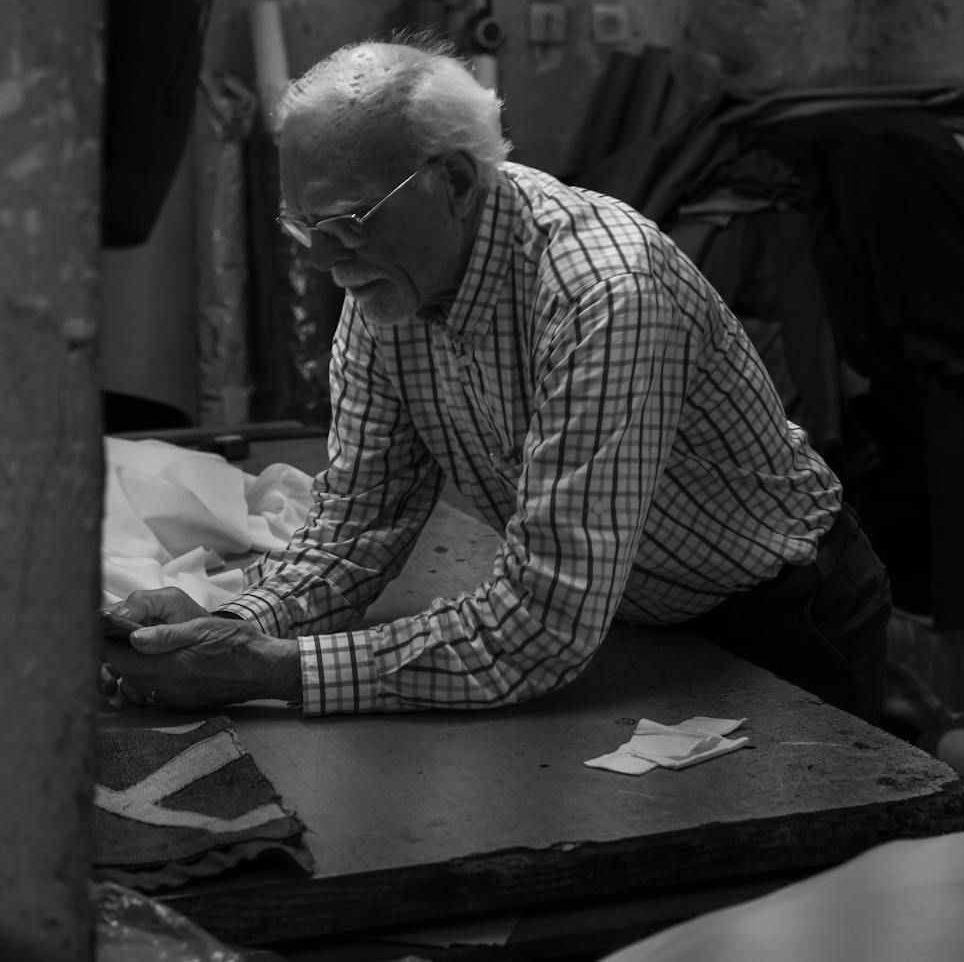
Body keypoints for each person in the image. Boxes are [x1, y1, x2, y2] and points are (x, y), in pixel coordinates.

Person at [101, 37, 892, 722]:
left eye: (345, 222)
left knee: (809, 867)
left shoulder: (603, 289)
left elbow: (541, 627)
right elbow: (352, 530)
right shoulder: (387, 290)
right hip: (635, 615)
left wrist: (274, 670)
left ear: (455, 181)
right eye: (303, 227)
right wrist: (225, 626)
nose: (321, 261)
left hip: (782, 614)